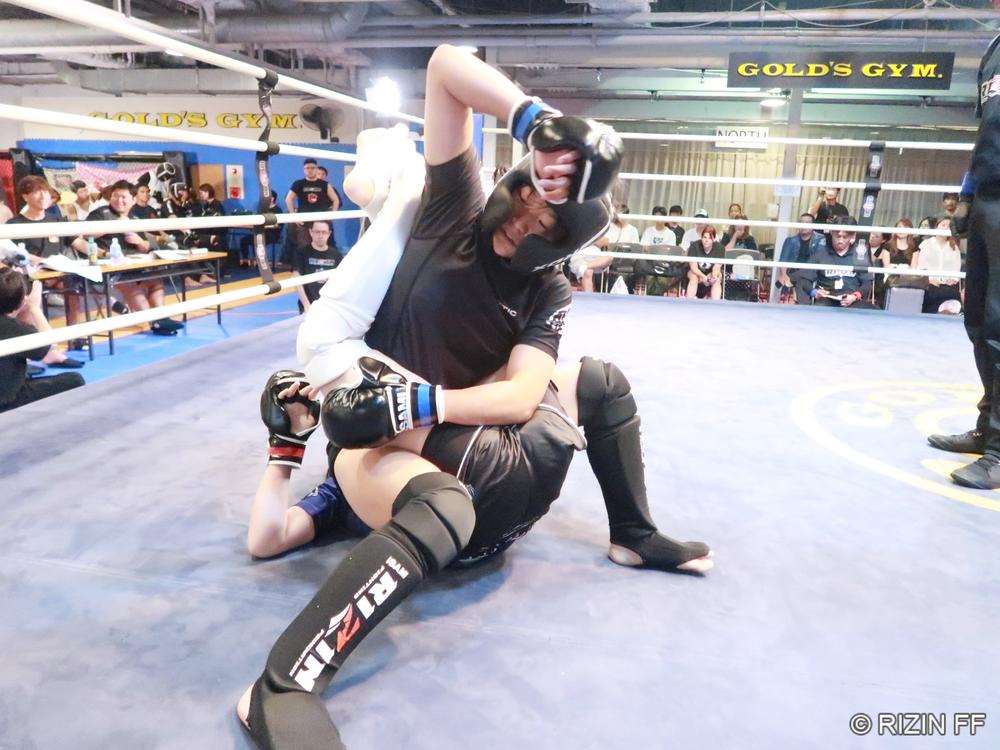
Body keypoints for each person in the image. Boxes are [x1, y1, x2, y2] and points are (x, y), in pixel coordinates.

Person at [238, 44, 709, 750]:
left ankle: (633, 535)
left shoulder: (546, 288)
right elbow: (444, 67)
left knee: (600, 380)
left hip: (451, 425)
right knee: (440, 498)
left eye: (545, 223)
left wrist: (423, 403)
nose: (524, 217)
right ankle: (282, 688)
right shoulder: (452, 209)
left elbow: (520, 395)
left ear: (560, 244)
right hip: (394, 452)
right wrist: (534, 120)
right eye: (525, 198)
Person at [925, 23, 1000, 488]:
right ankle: (988, 428)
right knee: (979, 322)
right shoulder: (994, 49)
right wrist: (967, 193)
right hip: (990, 194)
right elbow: (985, 132)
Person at [89, 180, 183, 336]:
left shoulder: (134, 218)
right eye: (115, 196)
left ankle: (162, 319)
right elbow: (86, 235)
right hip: (110, 266)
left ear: (133, 200)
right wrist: (115, 224)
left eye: (124, 197)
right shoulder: (100, 214)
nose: (119, 200)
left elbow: (145, 247)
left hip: (134, 264)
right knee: (130, 284)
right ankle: (155, 322)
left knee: (155, 281)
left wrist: (139, 241)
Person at [0, 267, 84, 412]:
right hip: (8, 400)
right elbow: (50, 345)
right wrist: (34, 308)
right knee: (75, 379)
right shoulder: (16, 329)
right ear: (22, 301)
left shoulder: (16, 327)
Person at [802, 215, 875, 308]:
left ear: (851, 237)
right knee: (819, 309)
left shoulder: (859, 256)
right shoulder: (820, 253)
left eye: (845, 237)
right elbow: (805, 279)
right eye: (838, 236)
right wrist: (815, 292)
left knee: (872, 311)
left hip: (853, 299)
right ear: (832, 233)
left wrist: (855, 296)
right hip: (826, 298)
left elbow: (867, 283)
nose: (840, 240)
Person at [292, 220, 343, 313]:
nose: (320, 236)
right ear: (311, 232)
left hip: (331, 306)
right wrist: (306, 305)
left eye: (324, 232)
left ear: (329, 233)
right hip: (309, 306)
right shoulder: (301, 253)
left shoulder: (336, 255)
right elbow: (296, 278)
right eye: (317, 232)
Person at [914, 216, 962, 314]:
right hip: (930, 282)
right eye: (943, 225)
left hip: (948, 284)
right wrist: (930, 279)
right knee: (931, 294)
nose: (945, 228)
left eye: (948, 227)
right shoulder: (926, 244)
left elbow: (957, 267)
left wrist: (953, 279)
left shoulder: (954, 247)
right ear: (936, 227)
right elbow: (921, 266)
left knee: (953, 295)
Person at [686, 225, 724, 299]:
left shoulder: (720, 248)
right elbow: (693, 267)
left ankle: (716, 304)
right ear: (701, 237)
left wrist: (713, 277)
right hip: (696, 272)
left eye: (710, 238)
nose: (706, 240)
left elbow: (717, 267)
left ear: (714, 239)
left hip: (710, 272)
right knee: (694, 277)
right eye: (705, 237)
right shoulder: (694, 245)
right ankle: (688, 301)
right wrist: (703, 276)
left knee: (717, 278)